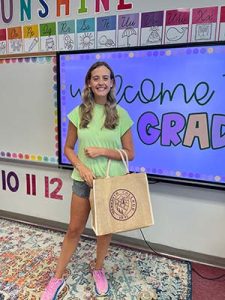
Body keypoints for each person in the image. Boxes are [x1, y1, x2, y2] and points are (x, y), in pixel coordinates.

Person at [41, 61, 134, 299]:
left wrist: (102, 151)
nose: (101, 82)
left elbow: (130, 153)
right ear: (89, 83)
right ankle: (57, 277)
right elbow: (69, 148)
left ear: (112, 83)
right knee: (74, 229)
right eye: (96, 78)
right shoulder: (79, 112)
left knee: (104, 231)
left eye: (105, 78)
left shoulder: (121, 114)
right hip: (83, 181)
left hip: (109, 183)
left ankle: (98, 269)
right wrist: (81, 166)